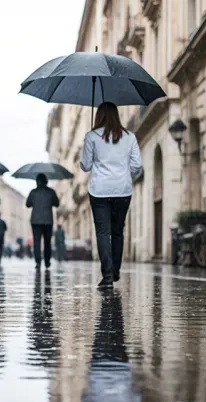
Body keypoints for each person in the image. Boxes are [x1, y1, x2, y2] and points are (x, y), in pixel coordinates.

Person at [81, 102, 142, 289]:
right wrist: (124, 174)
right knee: (117, 231)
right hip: (122, 189)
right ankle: (115, 271)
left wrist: (92, 147)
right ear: (117, 116)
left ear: (99, 116)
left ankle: (107, 275)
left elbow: (85, 165)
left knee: (102, 232)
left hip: (99, 190)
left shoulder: (92, 136)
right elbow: (137, 165)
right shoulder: (130, 137)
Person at [26, 173, 60, 270]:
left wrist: (34, 202)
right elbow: (57, 203)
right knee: (47, 242)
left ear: (37, 182)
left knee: (36, 242)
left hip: (35, 221)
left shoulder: (33, 192)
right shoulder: (51, 192)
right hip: (48, 221)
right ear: (46, 181)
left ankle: (38, 262)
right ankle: (47, 261)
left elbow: (28, 204)